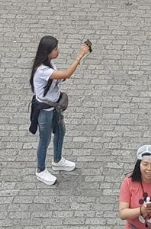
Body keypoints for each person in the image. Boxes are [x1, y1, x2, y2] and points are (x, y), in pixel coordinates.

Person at [29, 34, 90, 186]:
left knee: (61, 131)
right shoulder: (42, 70)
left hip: (54, 106)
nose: (58, 51)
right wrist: (80, 55)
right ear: (47, 52)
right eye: (55, 49)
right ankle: (41, 170)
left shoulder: (49, 64)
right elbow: (67, 74)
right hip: (45, 110)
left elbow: (61, 77)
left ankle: (57, 160)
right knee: (45, 140)